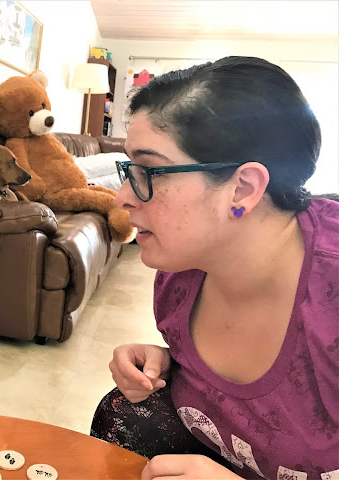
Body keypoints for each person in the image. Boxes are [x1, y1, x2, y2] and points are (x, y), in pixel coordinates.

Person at [90, 57, 338, 479]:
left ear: (242, 188)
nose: (122, 198)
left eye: (149, 171)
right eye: (129, 170)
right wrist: (174, 362)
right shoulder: (180, 273)